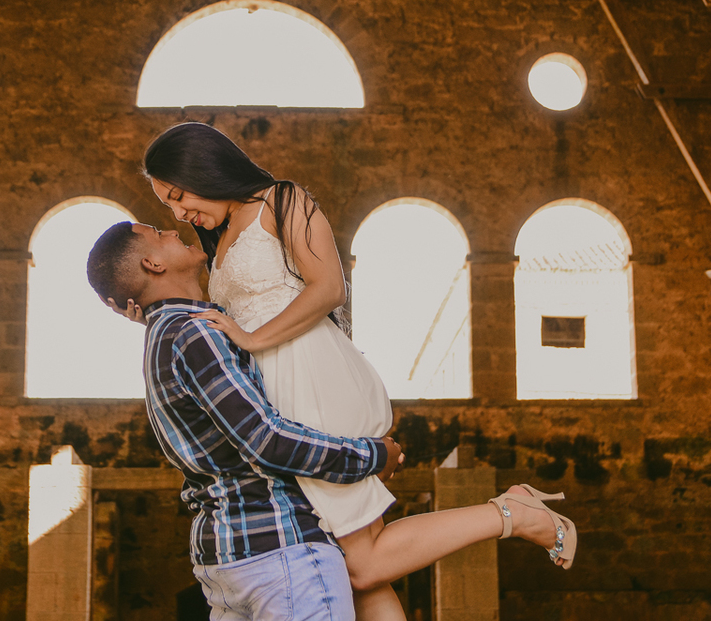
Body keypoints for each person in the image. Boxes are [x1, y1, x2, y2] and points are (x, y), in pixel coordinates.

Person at [113, 122, 578, 620]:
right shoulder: (216, 238)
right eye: (168, 207)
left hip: (310, 380)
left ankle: (512, 514)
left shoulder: (284, 200)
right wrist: (144, 306)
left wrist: (252, 339)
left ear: (203, 168)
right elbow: (207, 316)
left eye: (179, 195)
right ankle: (513, 512)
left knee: (362, 563)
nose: (179, 213)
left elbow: (329, 288)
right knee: (342, 562)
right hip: (275, 392)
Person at [87, 219, 403, 620]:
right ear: (152, 263)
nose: (171, 229)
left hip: (227, 557)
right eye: (158, 233)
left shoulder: (167, 334)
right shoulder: (192, 334)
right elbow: (267, 440)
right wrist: (374, 456)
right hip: (280, 551)